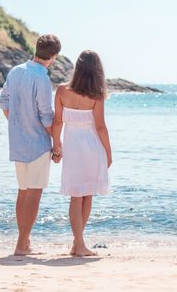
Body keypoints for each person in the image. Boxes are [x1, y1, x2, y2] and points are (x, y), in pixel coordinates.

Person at [0, 34, 61, 256]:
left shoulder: (15, 71)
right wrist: (56, 143)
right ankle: (22, 245)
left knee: (23, 192)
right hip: (37, 144)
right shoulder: (42, 79)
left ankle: (23, 242)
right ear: (53, 57)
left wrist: (18, 123)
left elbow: (3, 102)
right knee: (34, 194)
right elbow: (46, 117)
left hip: (18, 142)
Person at [52, 50, 112, 257]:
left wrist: (56, 146)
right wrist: (108, 152)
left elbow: (57, 121)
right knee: (86, 195)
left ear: (77, 67)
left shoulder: (61, 91)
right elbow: (101, 127)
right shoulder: (97, 94)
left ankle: (78, 244)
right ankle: (79, 244)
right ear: (97, 70)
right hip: (93, 148)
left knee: (75, 196)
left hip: (73, 148)